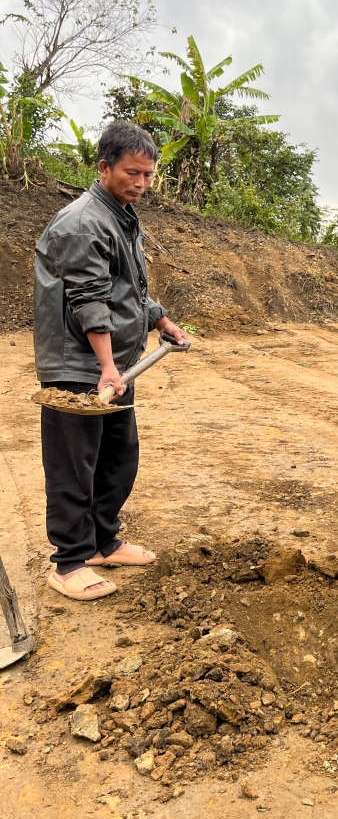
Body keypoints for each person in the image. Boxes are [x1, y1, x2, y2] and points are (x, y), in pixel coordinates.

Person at [35, 121, 189, 601]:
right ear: (104, 167)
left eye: (148, 174)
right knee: (74, 465)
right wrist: (106, 365)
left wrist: (160, 321)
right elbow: (89, 299)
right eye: (132, 173)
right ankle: (69, 561)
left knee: (117, 459)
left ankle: (103, 542)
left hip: (114, 365)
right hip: (79, 365)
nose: (142, 184)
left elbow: (129, 289)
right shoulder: (83, 221)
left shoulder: (121, 215)